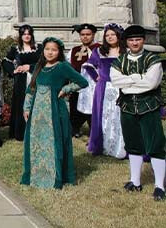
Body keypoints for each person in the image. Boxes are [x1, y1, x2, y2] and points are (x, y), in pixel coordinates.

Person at [21, 37, 88, 189]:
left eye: (54, 50)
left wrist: (66, 89)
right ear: (43, 51)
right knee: (36, 142)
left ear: (59, 52)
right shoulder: (39, 66)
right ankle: (36, 174)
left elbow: (82, 82)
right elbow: (31, 89)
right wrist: (26, 107)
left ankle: (56, 176)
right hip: (37, 113)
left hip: (56, 111)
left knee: (56, 141)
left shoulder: (63, 66)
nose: (50, 53)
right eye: (47, 49)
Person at [110, 25, 165, 201]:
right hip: (127, 108)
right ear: (126, 42)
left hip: (149, 107)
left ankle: (159, 186)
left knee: (156, 145)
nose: (135, 43)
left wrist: (130, 82)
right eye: (131, 40)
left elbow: (151, 83)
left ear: (143, 40)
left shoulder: (153, 60)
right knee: (133, 145)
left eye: (138, 39)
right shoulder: (119, 61)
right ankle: (135, 182)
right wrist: (137, 79)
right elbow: (116, 81)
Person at [81, 23, 126, 159]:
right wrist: (97, 77)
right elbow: (88, 65)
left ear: (119, 35)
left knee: (120, 116)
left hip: (122, 87)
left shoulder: (126, 51)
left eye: (113, 34)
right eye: (107, 35)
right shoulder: (100, 51)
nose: (110, 37)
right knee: (104, 116)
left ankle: (122, 147)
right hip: (104, 88)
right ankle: (104, 145)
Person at [2, 25, 43, 141]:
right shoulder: (16, 49)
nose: (26, 36)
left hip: (36, 79)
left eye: (28, 34)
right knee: (21, 103)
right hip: (21, 81)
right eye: (24, 34)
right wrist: (13, 70)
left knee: (35, 103)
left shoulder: (39, 48)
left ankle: (37, 131)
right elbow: (5, 61)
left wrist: (29, 67)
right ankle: (21, 132)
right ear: (21, 35)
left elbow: (43, 63)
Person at [67, 23, 100, 137]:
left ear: (93, 35)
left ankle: (94, 130)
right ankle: (75, 128)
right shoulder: (74, 50)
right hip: (78, 85)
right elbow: (68, 66)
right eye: (82, 35)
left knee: (93, 108)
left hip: (94, 85)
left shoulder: (99, 49)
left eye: (88, 34)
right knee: (75, 107)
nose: (85, 37)